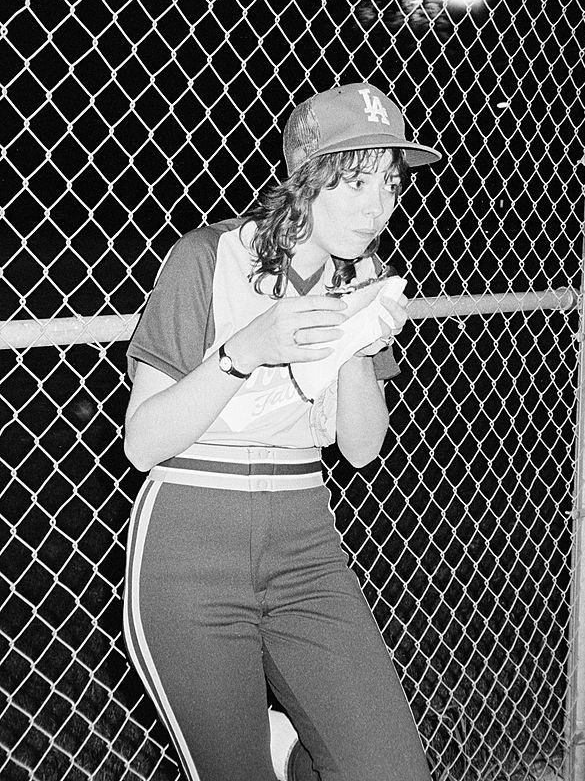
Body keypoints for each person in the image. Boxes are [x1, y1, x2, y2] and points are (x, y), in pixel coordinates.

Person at [122, 82, 441, 781]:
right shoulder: (204, 256)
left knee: (391, 770)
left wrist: (358, 340)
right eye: (354, 183)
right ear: (304, 179)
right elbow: (142, 443)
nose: (377, 207)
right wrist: (246, 349)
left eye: (388, 185)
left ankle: (289, 752)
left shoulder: (365, 274)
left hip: (305, 544)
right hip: (189, 547)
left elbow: (360, 448)